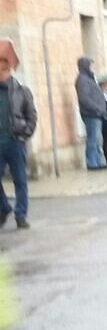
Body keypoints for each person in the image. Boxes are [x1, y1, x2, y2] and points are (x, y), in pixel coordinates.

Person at [0, 38, 39, 229]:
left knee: (20, 180)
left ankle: (20, 214)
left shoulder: (22, 91)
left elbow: (32, 115)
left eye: (2, 69)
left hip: (16, 141)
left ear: (9, 69)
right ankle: (4, 207)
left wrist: (25, 133)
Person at [75, 57, 107, 170]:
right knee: (93, 139)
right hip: (91, 114)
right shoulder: (82, 80)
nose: (92, 67)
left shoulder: (90, 78)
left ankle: (98, 161)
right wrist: (97, 108)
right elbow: (84, 98)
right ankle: (92, 163)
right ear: (85, 66)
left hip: (96, 114)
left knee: (97, 139)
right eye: (90, 65)